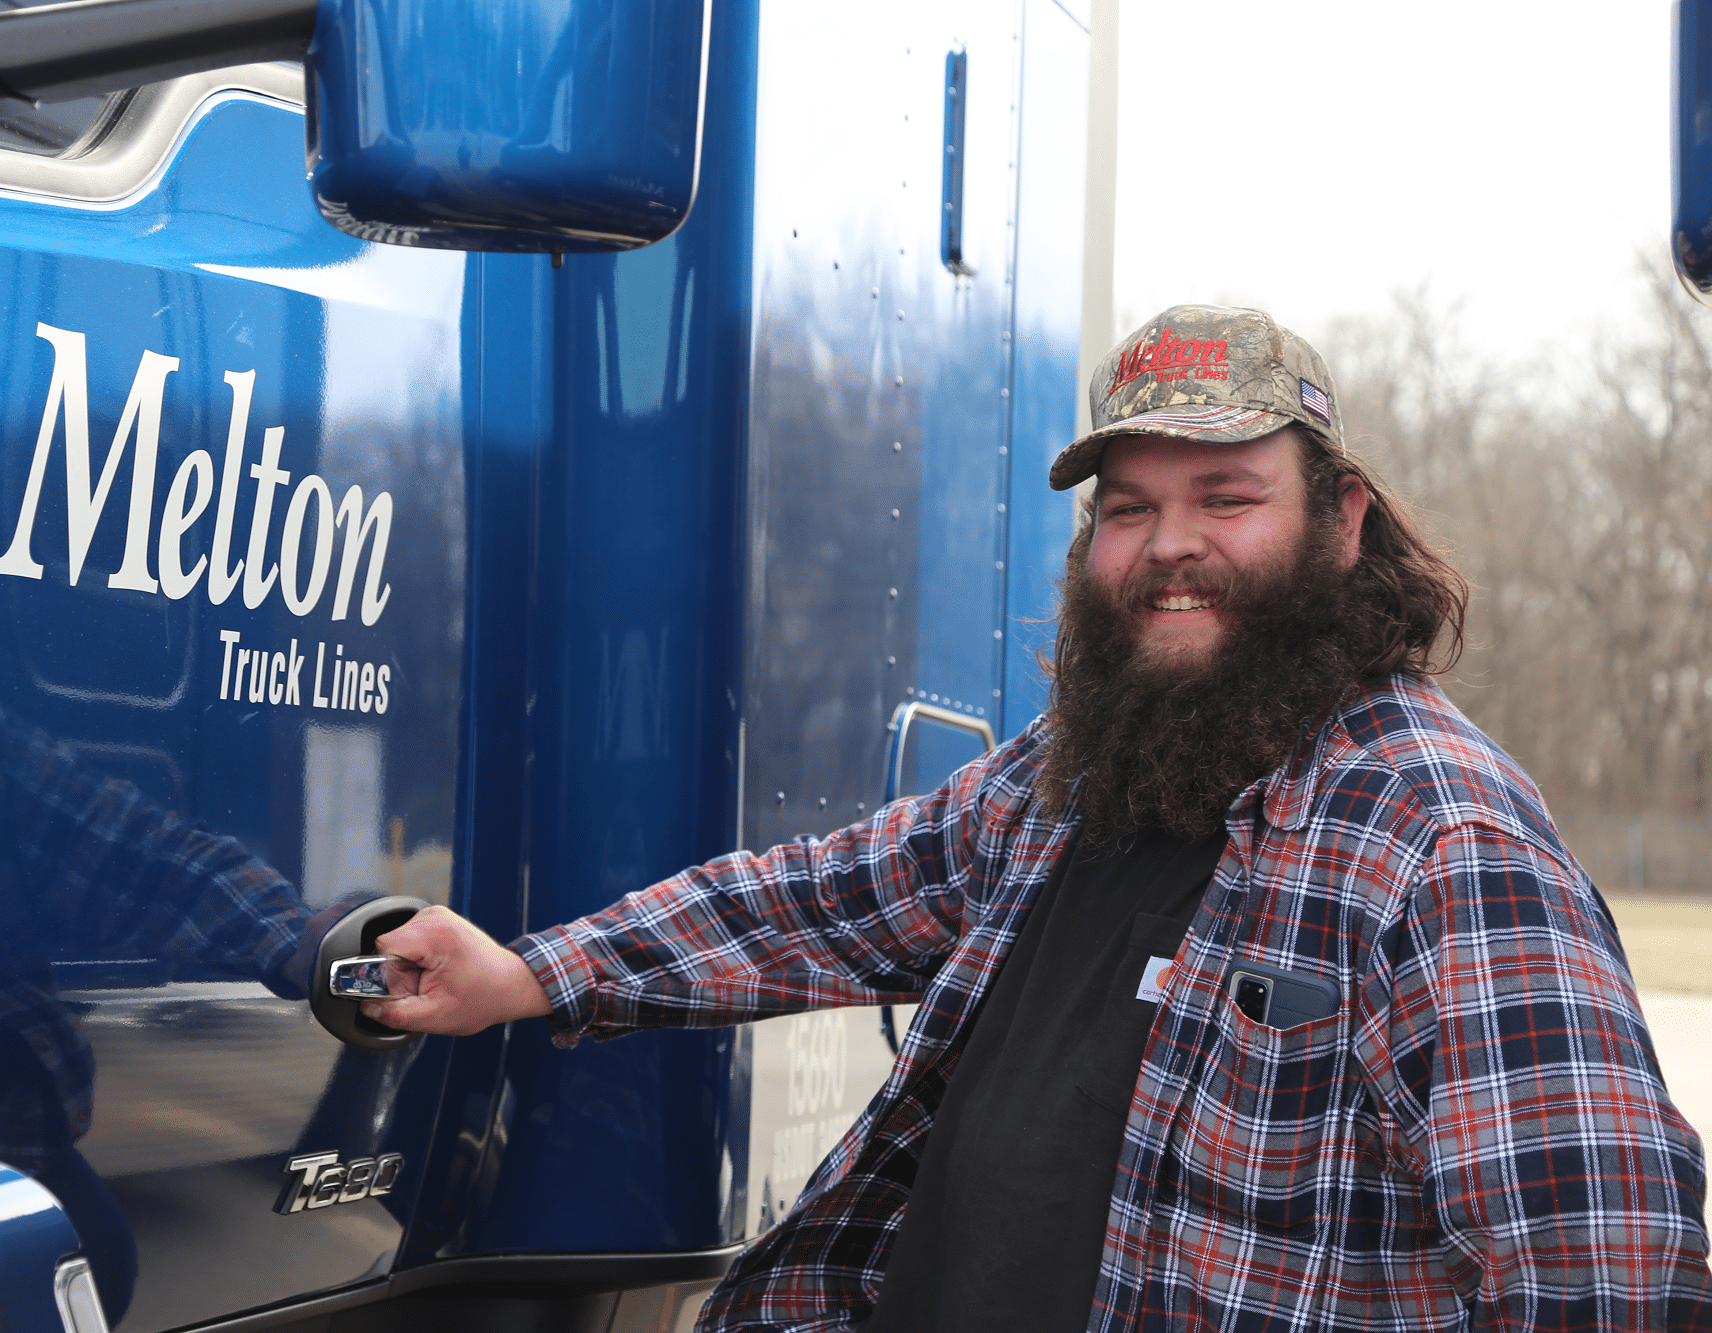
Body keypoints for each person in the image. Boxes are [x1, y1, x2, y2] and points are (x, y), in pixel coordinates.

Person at [362, 306, 1712, 1331]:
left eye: (1226, 498)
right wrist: (533, 974)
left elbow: (1603, 1268)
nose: (1168, 546)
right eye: (1131, 509)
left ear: (1342, 522)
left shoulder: (1439, 842)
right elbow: (819, 900)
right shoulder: (1070, 783)